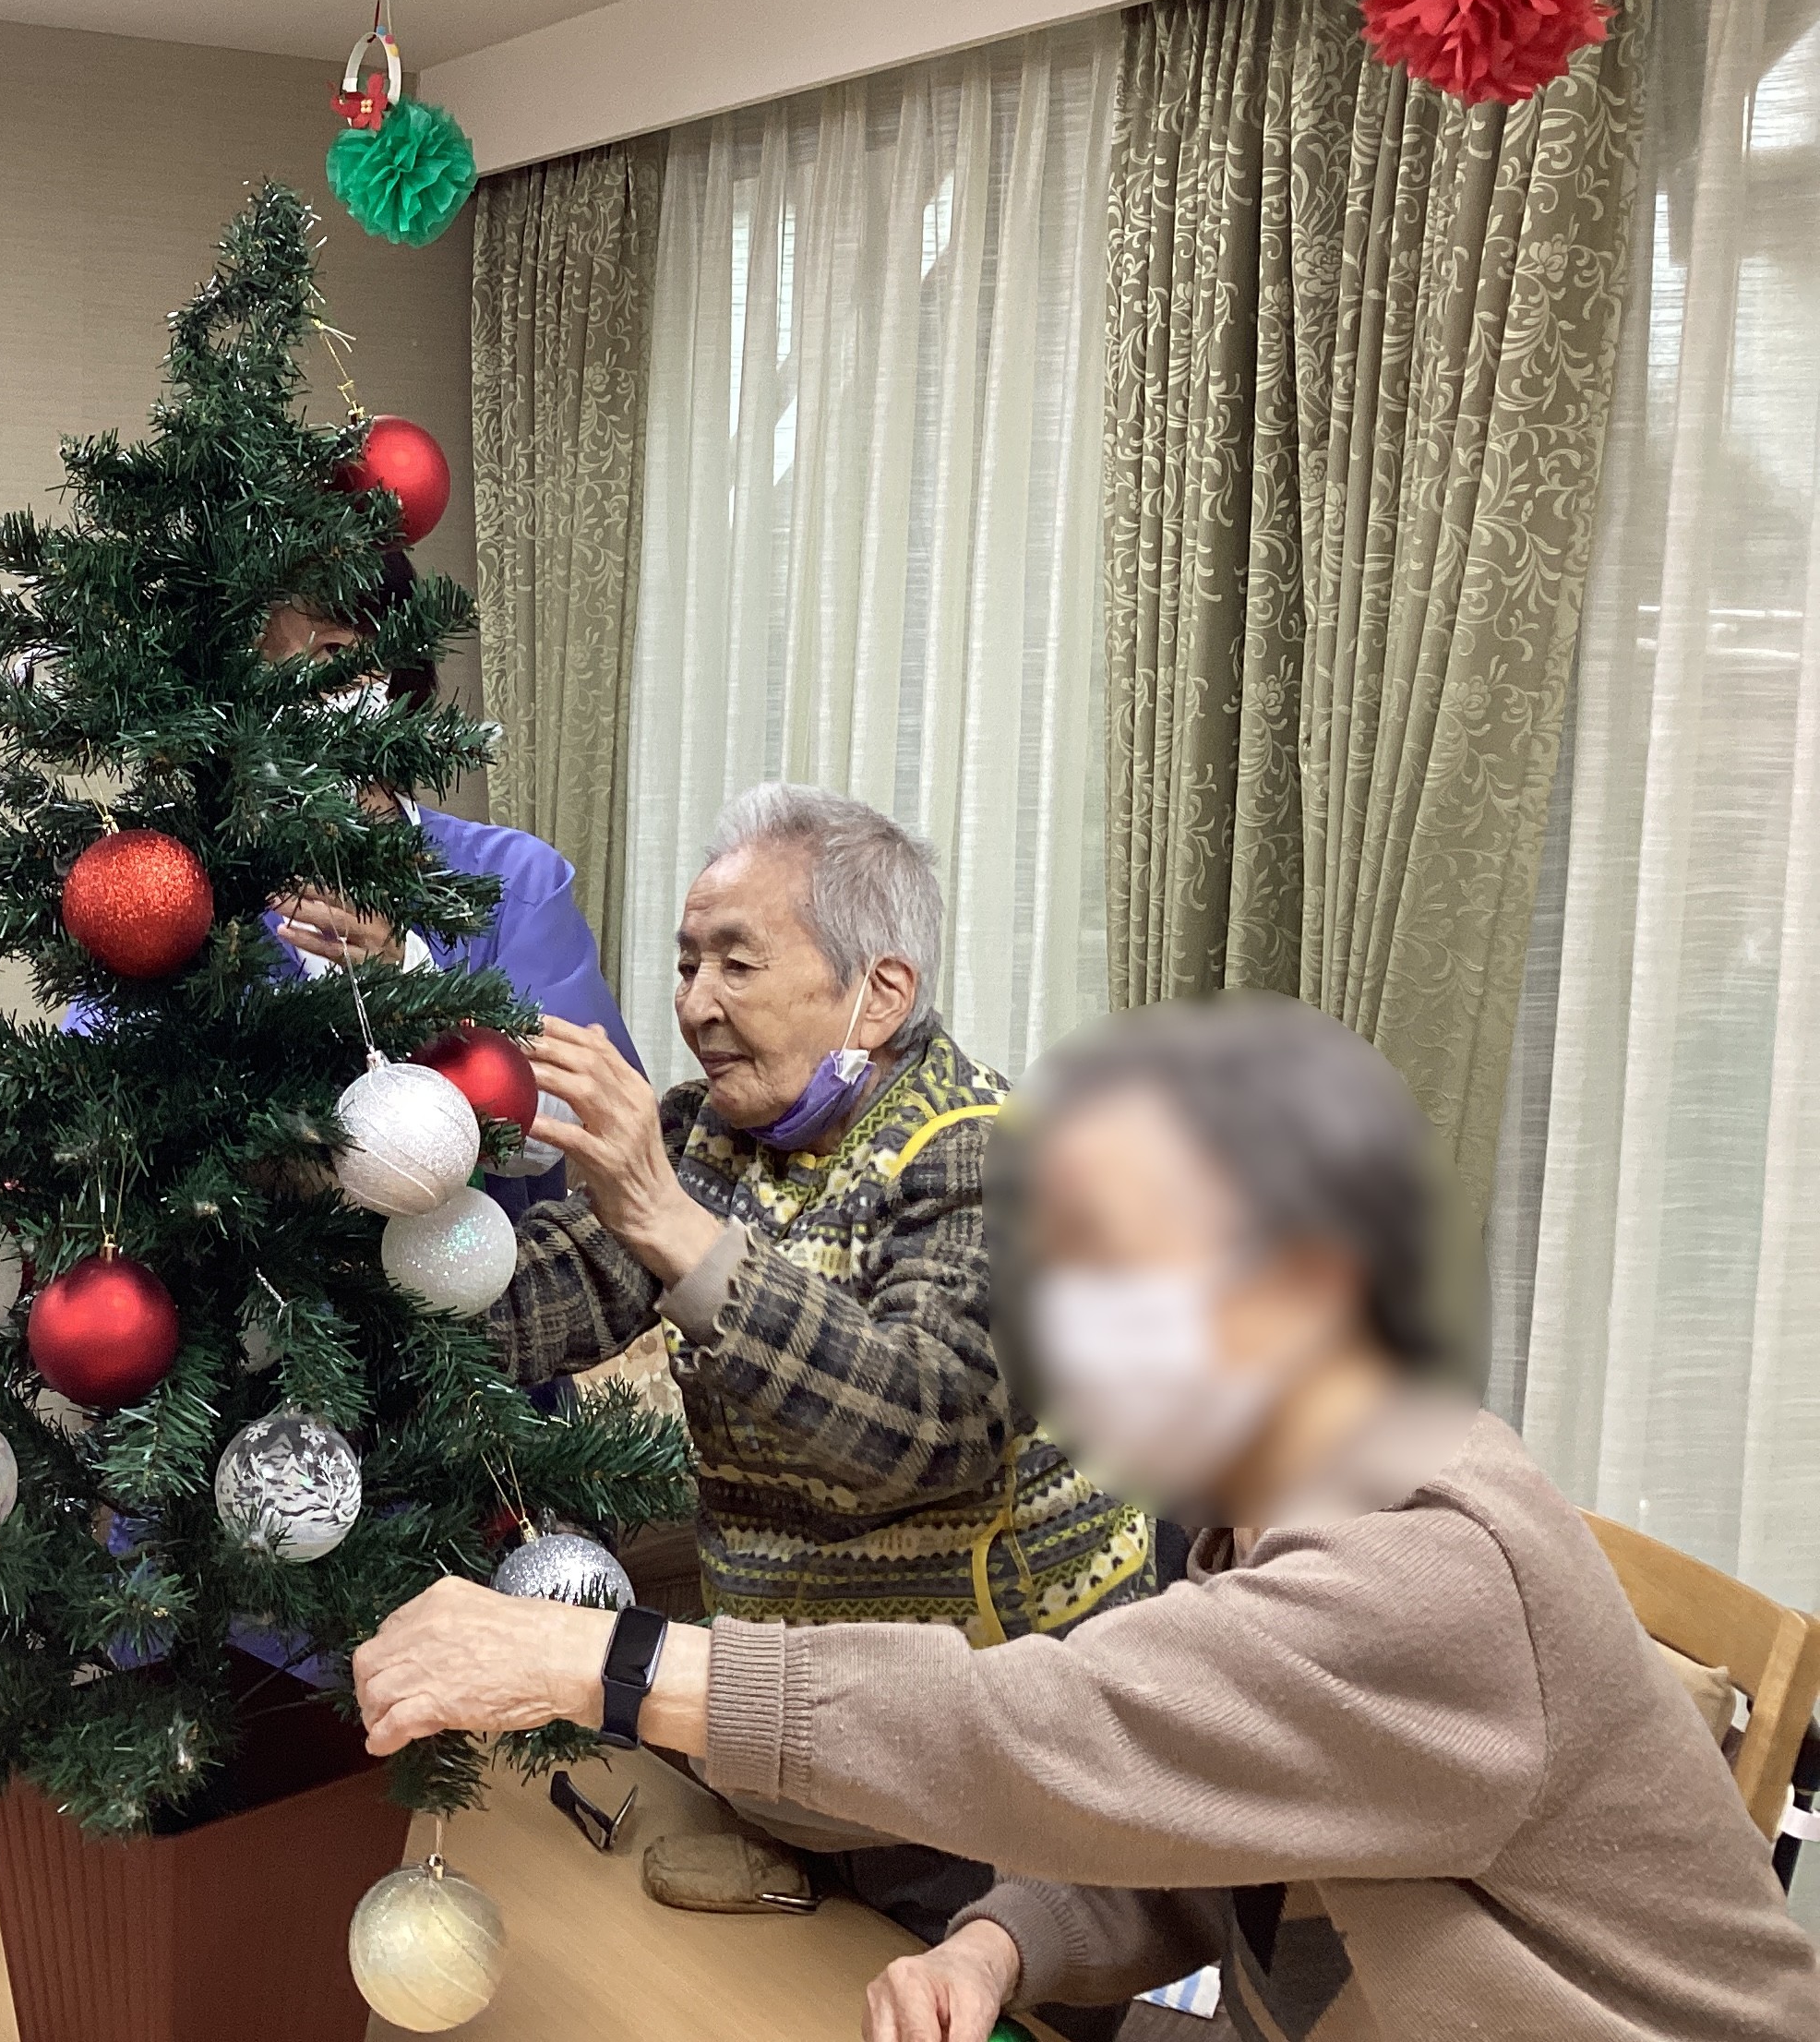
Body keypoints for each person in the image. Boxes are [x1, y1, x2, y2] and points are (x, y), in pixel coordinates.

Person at [352, 994, 1820, 2041]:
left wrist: (600, 1662)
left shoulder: (1431, 1570)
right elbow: (1215, 1818)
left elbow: (1032, 1729)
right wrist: (1008, 1940)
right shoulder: (1263, 1503)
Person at [488, 784, 1149, 1931]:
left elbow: (929, 1424)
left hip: (991, 1779)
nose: (694, 1004)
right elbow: (556, 1294)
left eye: (735, 964)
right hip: (798, 1746)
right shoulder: (712, 1135)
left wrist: (675, 1226)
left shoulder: (992, 1153)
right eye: (687, 964)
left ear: (878, 993)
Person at [257, 552, 638, 1208]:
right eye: (264, 660)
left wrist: (407, 978)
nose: (295, 687)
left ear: (399, 675)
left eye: (334, 651)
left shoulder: (514, 880)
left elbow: (593, 1132)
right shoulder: (188, 898)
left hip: (488, 1262)